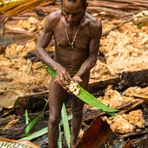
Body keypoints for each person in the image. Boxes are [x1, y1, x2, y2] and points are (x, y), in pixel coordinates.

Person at [36, 0, 102, 147]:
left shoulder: (94, 26)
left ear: (85, 7)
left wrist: (80, 74)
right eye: (66, 12)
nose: (70, 18)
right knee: (53, 118)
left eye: (76, 14)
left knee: (77, 112)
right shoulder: (53, 20)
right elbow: (39, 48)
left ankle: (73, 143)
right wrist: (57, 68)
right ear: (60, 6)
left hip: (80, 75)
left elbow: (92, 56)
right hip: (58, 76)